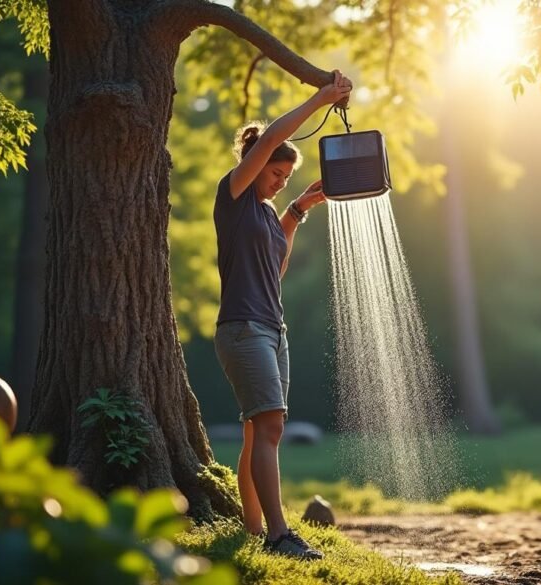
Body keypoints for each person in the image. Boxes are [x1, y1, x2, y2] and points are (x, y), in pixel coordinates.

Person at [213, 70, 352, 560]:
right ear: (256, 165)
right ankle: (278, 534)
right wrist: (321, 98)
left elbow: (276, 267)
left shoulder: (270, 214)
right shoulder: (233, 195)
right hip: (242, 329)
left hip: (272, 330)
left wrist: (297, 209)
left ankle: (255, 527)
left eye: (285, 178)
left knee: (258, 428)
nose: (278, 182)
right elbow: (274, 136)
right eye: (276, 174)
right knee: (270, 426)